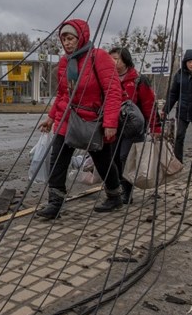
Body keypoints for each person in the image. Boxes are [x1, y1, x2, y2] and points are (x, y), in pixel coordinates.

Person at [37, 19, 126, 218]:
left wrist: (110, 122)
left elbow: (113, 91)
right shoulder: (64, 62)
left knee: (102, 161)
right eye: (63, 39)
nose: (67, 43)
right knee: (58, 159)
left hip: (92, 120)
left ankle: (114, 195)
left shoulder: (99, 57)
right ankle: (55, 203)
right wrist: (51, 118)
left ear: (81, 37)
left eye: (71, 38)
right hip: (67, 118)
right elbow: (62, 94)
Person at [108, 47, 162, 204]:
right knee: (113, 158)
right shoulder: (107, 79)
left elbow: (148, 105)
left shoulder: (138, 79)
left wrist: (155, 127)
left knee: (126, 157)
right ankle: (115, 189)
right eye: (110, 58)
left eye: (116, 58)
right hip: (112, 125)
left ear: (125, 60)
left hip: (133, 127)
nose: (113, 61)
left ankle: (127, 191)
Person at [160, 49, 192, 174]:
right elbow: (173, 94)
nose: (191, 64)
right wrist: (165, 110)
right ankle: (178, 163)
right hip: (183, 111)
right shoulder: (180, 75)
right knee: (179, 137)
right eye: (189, 62)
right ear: (185, 63)